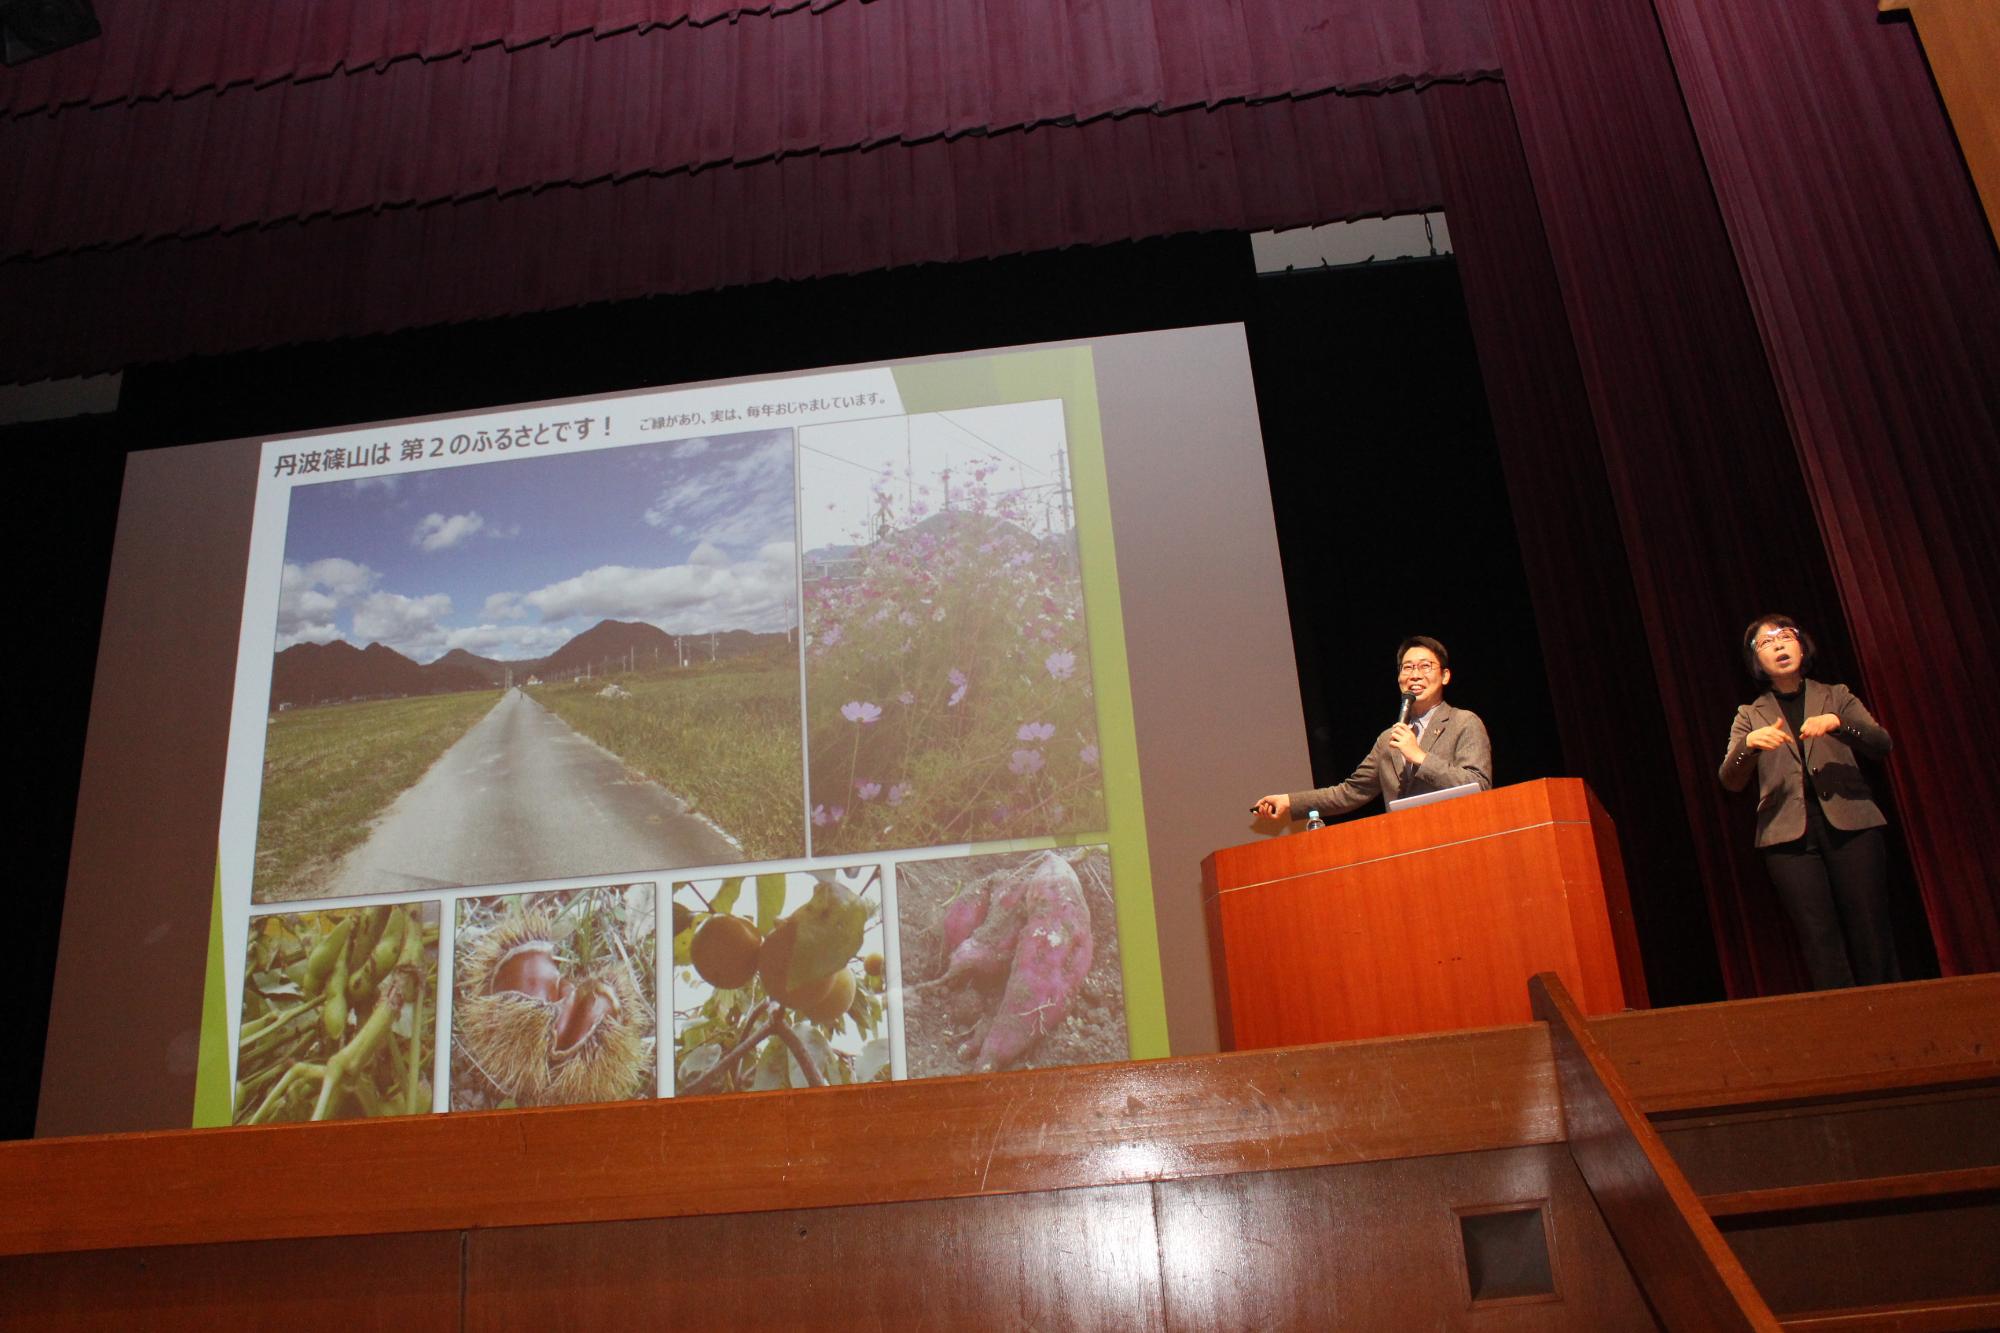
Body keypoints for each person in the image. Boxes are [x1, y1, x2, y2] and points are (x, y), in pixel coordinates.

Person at [1718, 613, 1899, 989]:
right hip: (1788, 838)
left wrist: (1838, 723)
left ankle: (1890, 1013)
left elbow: (1880, 744)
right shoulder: (1750, 715)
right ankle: (1843, 1025)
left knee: (1870, 926)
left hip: (1852, 825)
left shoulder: (1836, 695)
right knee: (1818, 937)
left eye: (1785, 636)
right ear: (1756, 661)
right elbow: (1730, 780)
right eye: (1766, 643)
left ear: (1802, 645)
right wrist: (1748, 748)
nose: (1779, 645)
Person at [1253, 636, 1492, 824]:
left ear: (1445, 676)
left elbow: (1478, 785)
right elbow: (1350, 792)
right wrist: (1289, 802)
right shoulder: (1389, 738)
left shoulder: (1464, 722)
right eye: (1407, 668)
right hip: (1403, 844)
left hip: (1458, 836)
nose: (1415, 675)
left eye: (1425, 666)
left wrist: (1420, 757)